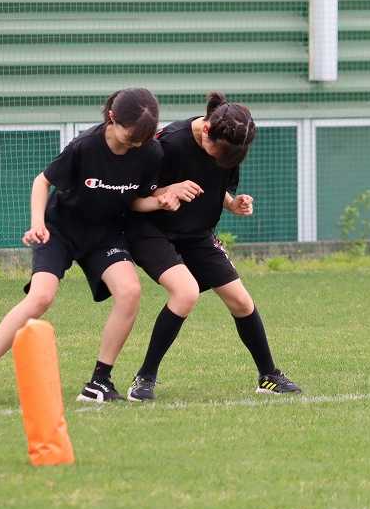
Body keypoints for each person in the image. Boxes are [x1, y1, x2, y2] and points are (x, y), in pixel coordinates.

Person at [0, 87, 174, 406]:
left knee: (130, 292)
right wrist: (37, 223)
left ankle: (99, 382)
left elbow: (135, 200)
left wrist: (159, 202)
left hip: (105, 234)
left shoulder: (150, 152)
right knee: (40, 297)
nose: (136, 145)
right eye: (131, 138)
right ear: (112, 118)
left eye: (143, 139)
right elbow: (42, 181)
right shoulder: (85, 146)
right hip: (60, 230)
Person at [124, 92, 300, 401]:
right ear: (206, 130)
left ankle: (268, 376)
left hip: (197, 234)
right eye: (217, 153)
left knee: (241, 301)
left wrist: (233, 204)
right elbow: (133, 195)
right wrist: (166, 192)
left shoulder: (230, 145)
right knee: (186, 293)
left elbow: (217, 186)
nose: (220, 159)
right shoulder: (169, 143)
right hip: (152, 231)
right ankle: (144, 378)